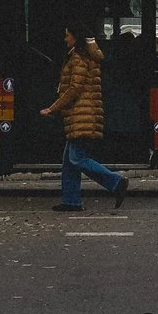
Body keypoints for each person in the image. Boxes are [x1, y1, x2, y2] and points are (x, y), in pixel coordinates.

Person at [43, 24, 128, 212]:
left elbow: (74, 88)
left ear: (76, 37)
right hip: (82, 113)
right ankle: (71, 200)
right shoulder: (86, 55)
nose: (65, 39)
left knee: (77, 159)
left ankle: (116, 182)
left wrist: (53, 108)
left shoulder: (78, 58)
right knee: (69, 161)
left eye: (67, 35)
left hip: (81, 115)